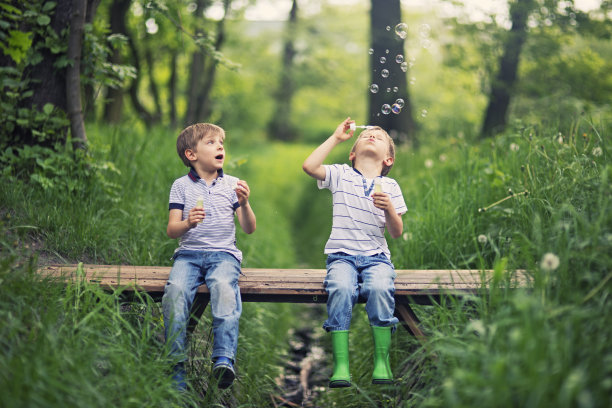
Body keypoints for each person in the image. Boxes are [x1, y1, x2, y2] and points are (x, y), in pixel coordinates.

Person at [302, 117, 406, 387]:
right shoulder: (340, 174)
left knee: (381, 288)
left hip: (377, 259)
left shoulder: (391, 187)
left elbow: (396, 232)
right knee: (340, 287)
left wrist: (390, 210)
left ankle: (381, 362)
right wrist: (336, 137)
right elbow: (309, 166)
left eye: (379, 137)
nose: (372, 135)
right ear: (352, 152)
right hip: (341, 256)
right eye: (367, 135)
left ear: (388, 160)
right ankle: (341, 365)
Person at [163, 123, 256, 390]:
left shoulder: (232, 185)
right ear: (191, 155)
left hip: (224, 255)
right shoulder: (180, 186)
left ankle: (224, 359)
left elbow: (249, 228)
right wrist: (188, 223)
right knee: (175, 292)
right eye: (211, 142)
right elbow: (172, 230)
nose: (220, 147)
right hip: (188, 256)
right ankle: (175, 365)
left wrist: (246, 203)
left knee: (225, 290)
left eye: (221, 143)